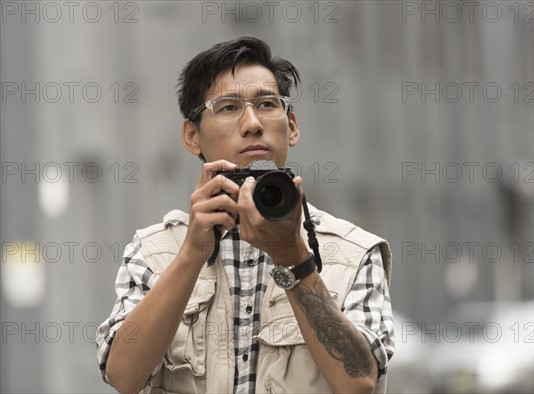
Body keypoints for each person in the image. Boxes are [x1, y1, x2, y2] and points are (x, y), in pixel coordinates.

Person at [96, 36, 394, 394]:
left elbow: (358, 381)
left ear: (292, 126)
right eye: (228, 107)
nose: (252, 123)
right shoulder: (153, 251)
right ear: (192, 136)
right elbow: (123, 376)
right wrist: (191, 254)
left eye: (267, 104)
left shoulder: (353, 252)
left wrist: (294, 258)